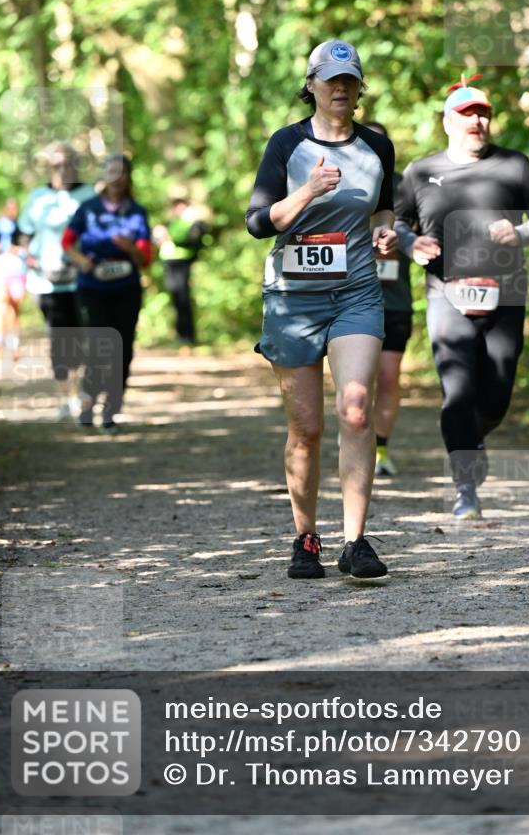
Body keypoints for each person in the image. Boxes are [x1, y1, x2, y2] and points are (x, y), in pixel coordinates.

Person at [246, 39, 397, 580]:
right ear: (310, 84)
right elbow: (258, 221)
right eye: (330, 79)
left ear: (359, 89)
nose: (340, 88)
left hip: (355, 290)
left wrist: (386, 237)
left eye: (350, 80)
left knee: (356, 409)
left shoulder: (377, 148)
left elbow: (382, 213)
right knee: (305, 428)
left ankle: (356, 542)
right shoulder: (287, 144)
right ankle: (305, 537)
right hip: (292, 298)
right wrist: (307, 191)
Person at [396, 75, 529, 519]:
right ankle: (465, 486)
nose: (477, 121)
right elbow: (398, 223)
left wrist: (520, 232)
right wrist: (412, 245)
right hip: (446, 293)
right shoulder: (419, 172)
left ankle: (474, 435)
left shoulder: (514, 165)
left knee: (497, 394)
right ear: (448, 122)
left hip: (506, 294)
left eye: (484, 114)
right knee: (458, 390)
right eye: (468, 115)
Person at [62, 154, 152, 431]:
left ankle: (111, 410)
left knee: (123, 349)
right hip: (92, 287)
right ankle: (87, 403)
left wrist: (129, 248)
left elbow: (146, 257)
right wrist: (83, 262)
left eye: (122, 172)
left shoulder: (137, 212)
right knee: (100, 347)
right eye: (111, 171)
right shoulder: (87, 209)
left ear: (128, 176)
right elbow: (67, 242)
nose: (117, 177)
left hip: (126, 288)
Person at [18, 142, 96, 417]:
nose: (63, 170)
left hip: (81, 280)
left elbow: (97, 232)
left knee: (82, 337)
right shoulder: (37, 196)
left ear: (76, 165)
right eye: (57, 165)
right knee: (59, 338)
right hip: (46, 281)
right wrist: (28, 256)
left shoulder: (88, 195)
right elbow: (24, 233)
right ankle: (65, 397)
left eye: (68, 164)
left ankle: (82, 391)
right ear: (49, 167)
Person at [364, 123, 413, 478]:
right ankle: (353, 439)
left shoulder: (406, 190)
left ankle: (381, 448)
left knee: (388, 377)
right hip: (349, 298)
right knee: (357, 379)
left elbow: (423, 233)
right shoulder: (338, 182)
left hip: (394, 301)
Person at [153, 186, 211, 346]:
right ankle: (180, 334)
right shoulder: (174, 222)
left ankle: (188, 335)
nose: (177, 208)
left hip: (182, 264)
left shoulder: (193, 222)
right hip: (169, 263)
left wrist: (170, 238)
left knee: (183, 298)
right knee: (176, 299)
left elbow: (192, 242)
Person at [0, 198, 27, 358]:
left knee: (14, 307)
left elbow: (26, 250)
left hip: (17, 272)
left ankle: (13, 343)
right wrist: (8, 249)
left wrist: (15, 250)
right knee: (0, 305)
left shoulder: (21, 227)